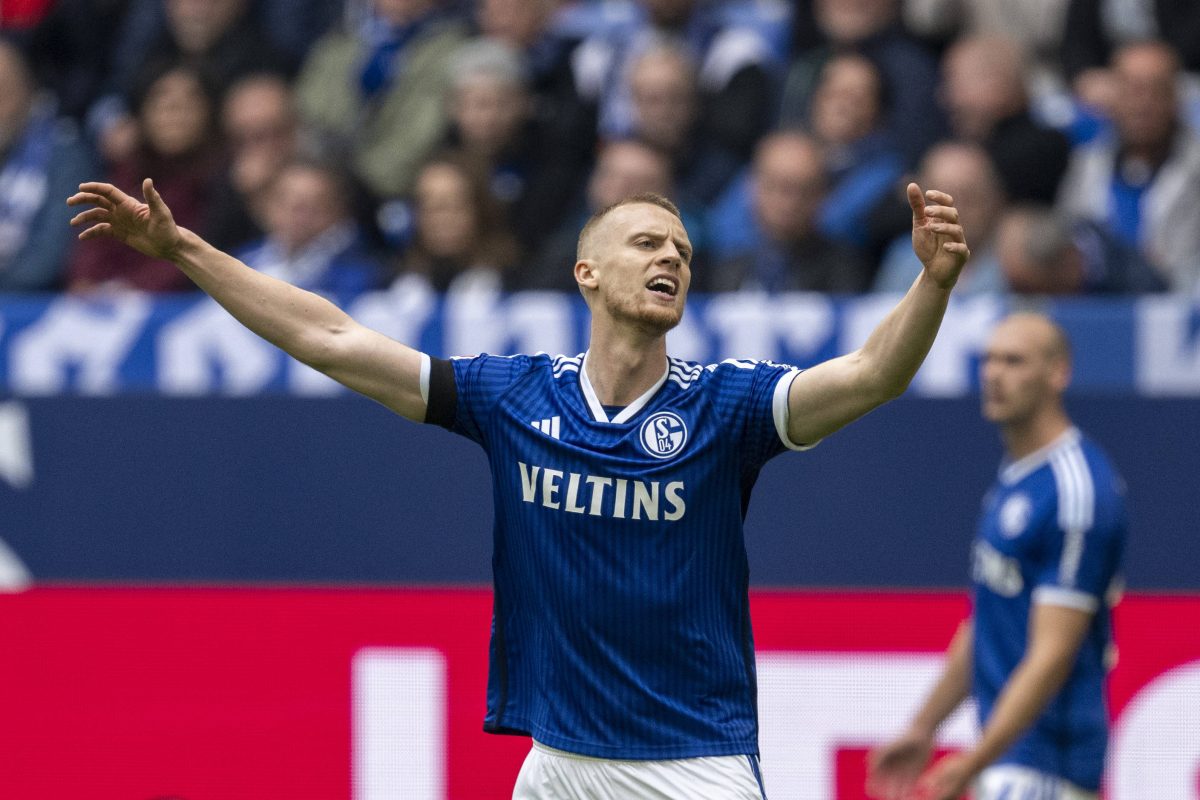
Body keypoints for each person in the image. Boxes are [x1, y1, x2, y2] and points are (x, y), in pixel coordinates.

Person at [67, 173, 968, 798]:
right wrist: (183, 248)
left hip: (692, 763)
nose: (672, 260)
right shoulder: (514, 397)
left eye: (684, 253)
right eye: (648, 242)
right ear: (587, 272)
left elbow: (870, 377)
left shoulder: (726, 407)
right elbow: (332, 338)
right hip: (558, 763)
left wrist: (931, 283)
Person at [867, 312, 1128, 800]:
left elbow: (1052, 654)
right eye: (988, 360)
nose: (993, 374)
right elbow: (988, 618)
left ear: (1058, 372)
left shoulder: (1076, 490)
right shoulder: (1017, 476)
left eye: (1014, 361)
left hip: (1049, 765)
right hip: (1009, 761)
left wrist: (974, 761)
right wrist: (925, 727)